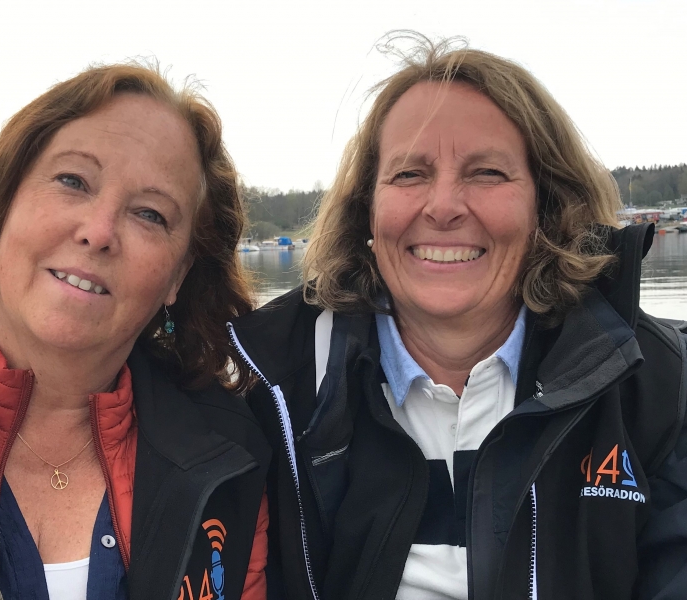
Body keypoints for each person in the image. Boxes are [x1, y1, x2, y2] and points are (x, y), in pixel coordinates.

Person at [229, 36, 687, 599]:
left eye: (487, 172)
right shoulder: (274, 384)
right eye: (408, 174)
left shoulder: (656, 384)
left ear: (545, 206)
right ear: (367, 211)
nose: (443, 206)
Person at [0, 64, 270, 600]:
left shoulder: (231, 453)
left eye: (150, 214)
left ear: (177, 277)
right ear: (5, 205)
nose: (98, 232)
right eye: (73, 181)